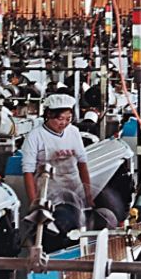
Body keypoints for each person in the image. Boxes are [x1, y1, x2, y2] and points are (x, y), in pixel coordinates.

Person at [18, 92, 95, 226]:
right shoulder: (35, 136)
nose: (64, 123)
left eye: (68, 119)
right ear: (48, 115)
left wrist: (88, 195)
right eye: (60, 119)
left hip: (73, 187)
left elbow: (82, 163)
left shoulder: (74, 132)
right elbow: (28, 172)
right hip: (48, 190)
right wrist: (34, 203)